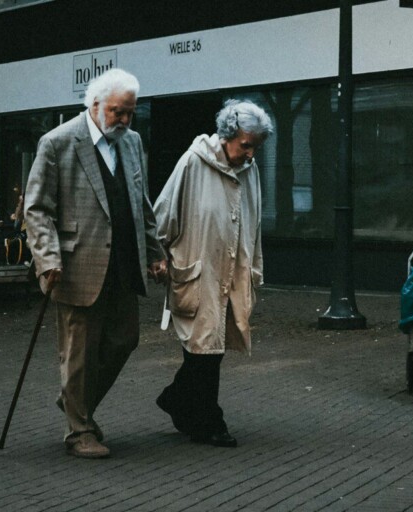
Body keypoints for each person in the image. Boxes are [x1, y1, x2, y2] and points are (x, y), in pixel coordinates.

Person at [24, 68, 167, 459]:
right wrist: (47, 258)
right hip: (75, 265)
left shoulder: (132, 141)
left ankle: (74, 401)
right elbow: (36, 209)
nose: (124, 120)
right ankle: (79, 430)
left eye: (130, 113)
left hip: (123, 261)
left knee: (125, 339)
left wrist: (154, 253)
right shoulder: (58, 143)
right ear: (95, 104)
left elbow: (142, 203)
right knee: (80, 352)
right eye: (118, 112)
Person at [153, 99, 272, 448]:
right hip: (199, 266)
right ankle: (208, 421)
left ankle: (178, 401)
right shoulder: (193, 161)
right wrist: (157, 253)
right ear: (228, 135)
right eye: (246, 145)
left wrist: (255, 267)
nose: (250, 154)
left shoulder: (250, 172)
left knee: (212, 346)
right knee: (204, 346)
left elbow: (256, 222)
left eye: (256, 147)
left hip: (233, 270)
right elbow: (164, 210)